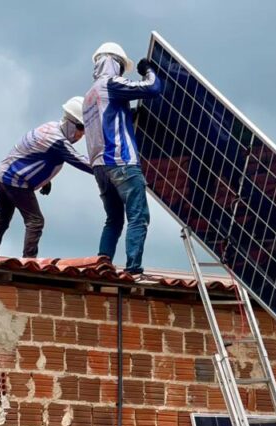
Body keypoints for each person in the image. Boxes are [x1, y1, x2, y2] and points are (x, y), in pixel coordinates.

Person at [83, 42, 164, 276]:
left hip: (100, 167)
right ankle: (133, 268)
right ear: (114, 62)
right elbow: (152, 89)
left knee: (114, 219)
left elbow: (110, 118)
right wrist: (148, 70)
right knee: (138, 216)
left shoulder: (90, 95)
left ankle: (102, 263)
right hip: (121, 161)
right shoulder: (111, 83)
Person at [0, 97, 92, 259]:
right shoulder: (57, 141)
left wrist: (46, 180)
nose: (81, 134)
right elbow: (81, 162)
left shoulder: (50, 127)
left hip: (3, 174)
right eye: (80, 127)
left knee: (3, 218)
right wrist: (107, 169)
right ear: (70, 122)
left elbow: (34, 154)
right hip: (15, 181)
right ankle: (29, 262)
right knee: (35, 221)